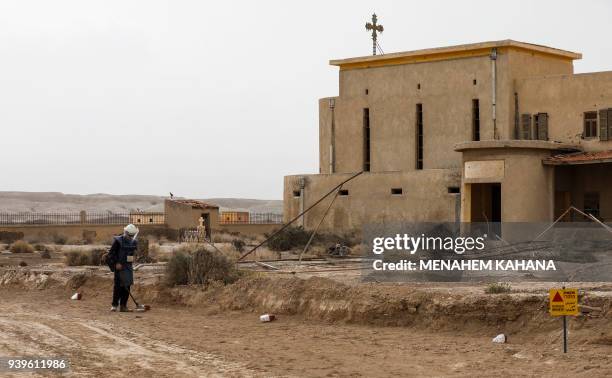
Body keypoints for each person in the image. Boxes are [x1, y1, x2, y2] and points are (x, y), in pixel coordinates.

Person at [108, 224, 138, 312]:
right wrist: (116, 263)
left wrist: (133, 257)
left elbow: (133, 253)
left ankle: (123, 306)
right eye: (129, 235)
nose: (131, 237)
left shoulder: (134, 242)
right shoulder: (118, 241)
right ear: (125, 232)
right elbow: (111, 254)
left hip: (128, 267)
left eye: (132, 236)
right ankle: (114, 305)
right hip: (119, 267)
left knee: (127, 285)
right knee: (118, 286)